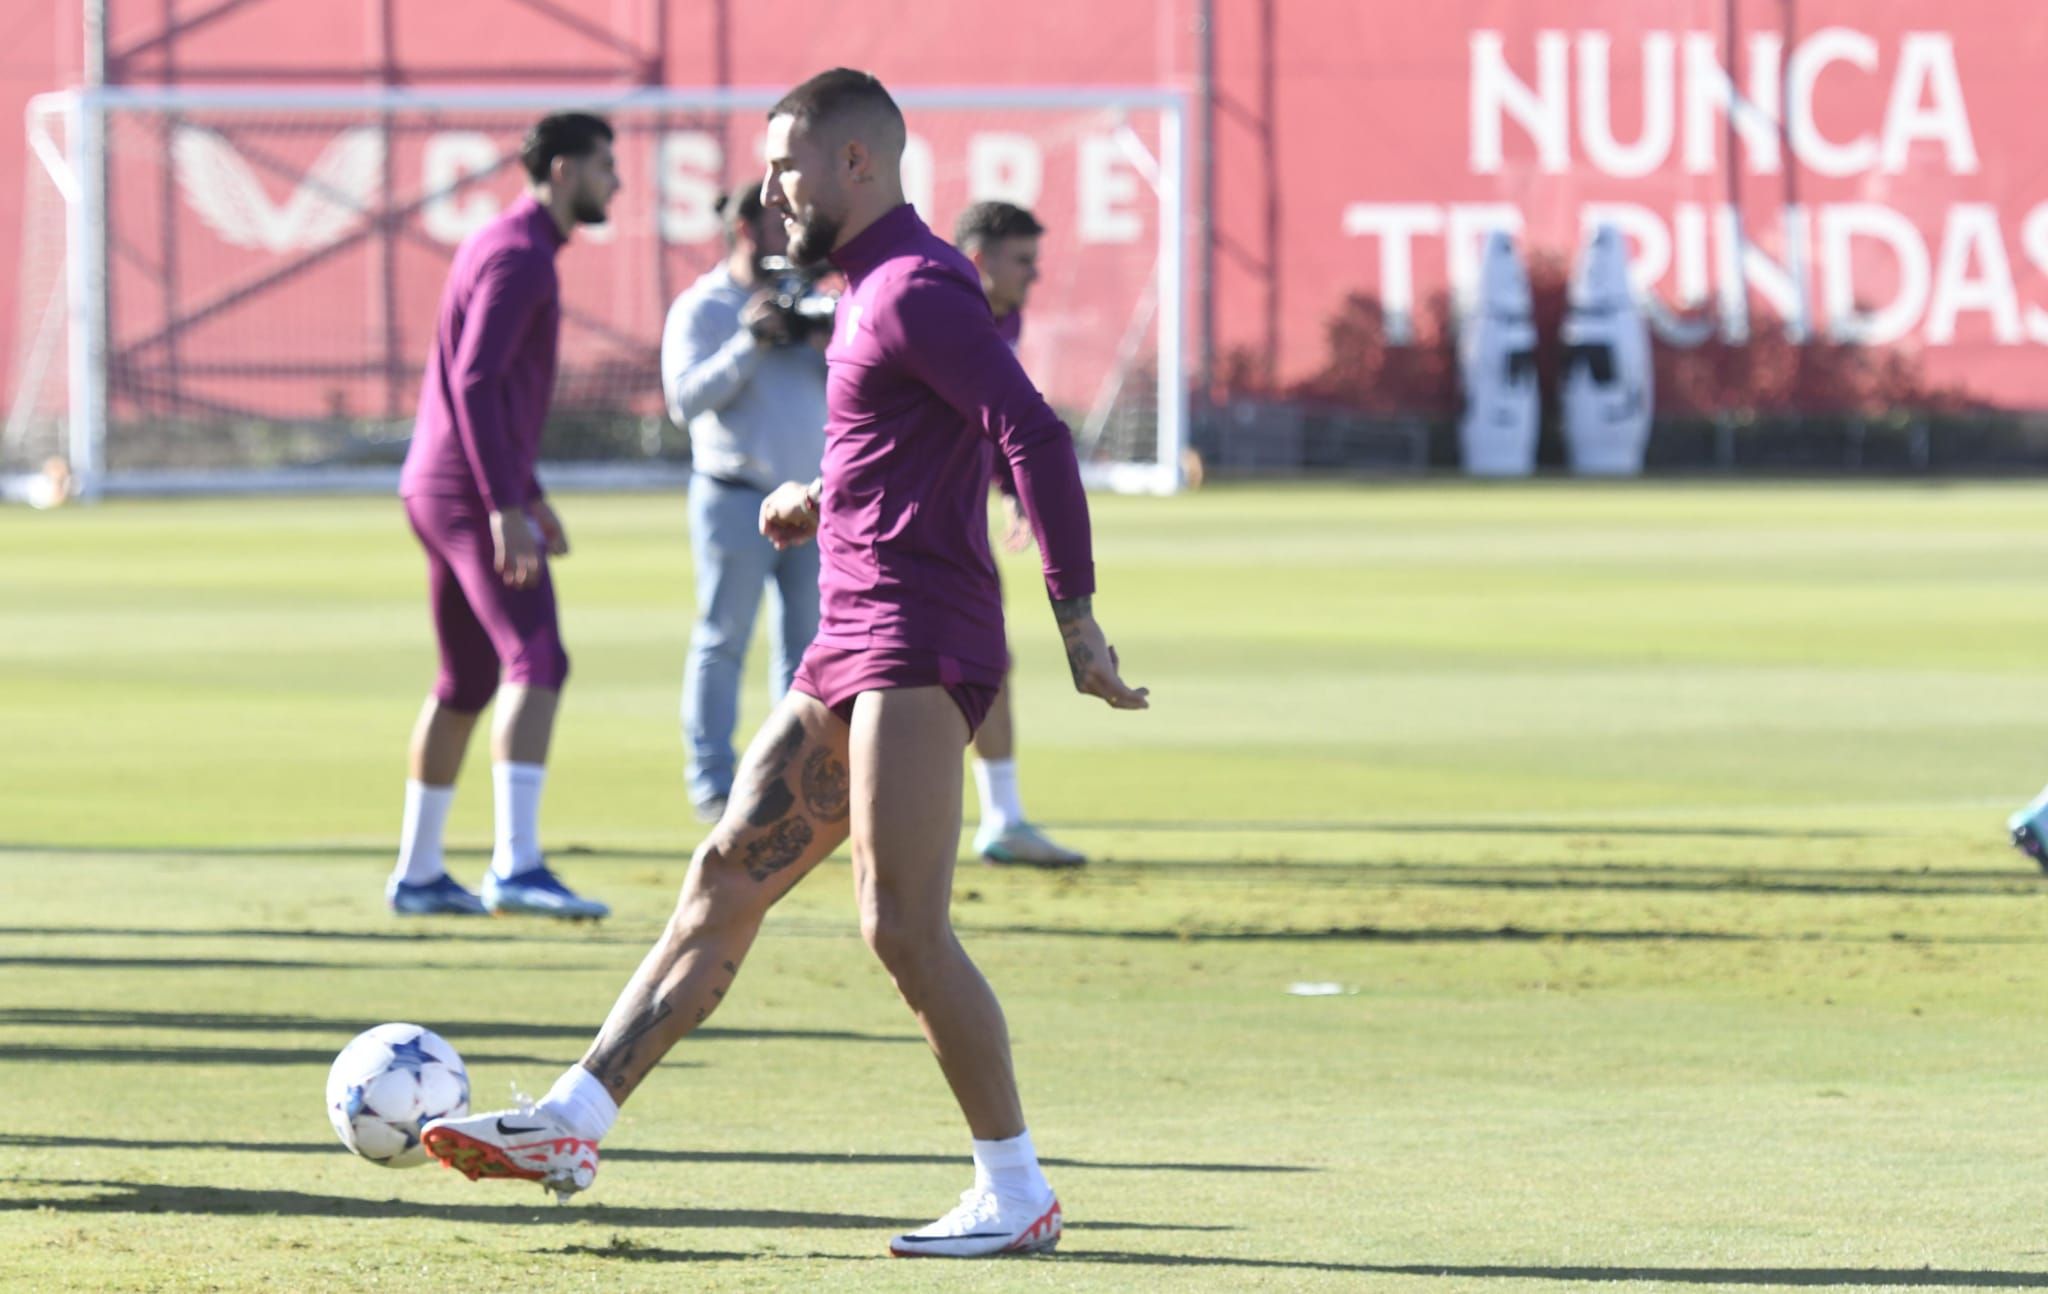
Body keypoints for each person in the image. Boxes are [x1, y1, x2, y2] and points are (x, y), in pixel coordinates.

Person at [421, 69, 1149, 1259]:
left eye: (784, 168)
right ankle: (570, 1122)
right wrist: (824, 495)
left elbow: (1029, 430)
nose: (769, 192)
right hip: (849, 636)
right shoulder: (864, 289)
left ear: (855, 162)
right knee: (724, 869)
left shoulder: (914, 284)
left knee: (900, 925)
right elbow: (911, 435)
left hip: (917, 640)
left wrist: (1074, 620)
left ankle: (1016, 1190)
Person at [384, 112, 620, 920]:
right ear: (562, 171)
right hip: (463, 491)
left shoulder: (508, 244)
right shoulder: (520, 255)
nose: (615, 182)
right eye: (604, 166)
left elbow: (489, 390)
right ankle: (516, 865)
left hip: (442, 484)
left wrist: (529, 491)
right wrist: (502, 505)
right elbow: (477, 381)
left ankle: (419, 873)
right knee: (538, 659)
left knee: (468, 678)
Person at [664, 184, 830, 824]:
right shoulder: (705, 306)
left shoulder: (811, 302)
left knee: (806, 649)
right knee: (722, 639)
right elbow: (685, 401)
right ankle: (712, 781)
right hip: (733, 495)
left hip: (810, 501)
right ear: (744, 228)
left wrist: (824, 338)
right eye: (777, 222)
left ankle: (790, 777)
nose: (790, 234)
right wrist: (750, 341)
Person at [953, 200, 1086, 868]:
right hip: (901, 527)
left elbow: (1001, 413)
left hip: (960, 523)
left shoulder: (1001, 319)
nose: (1035, 275)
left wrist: (1009, 489)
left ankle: (1002, 818)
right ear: (979, 259)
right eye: (1023, 261)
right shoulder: (935, 314)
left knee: (989, 662)